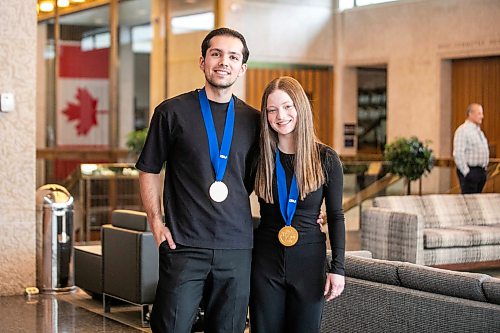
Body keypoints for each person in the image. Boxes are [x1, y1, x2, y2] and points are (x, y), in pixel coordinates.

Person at [136, 27, 260, 333]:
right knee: (171, 326)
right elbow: (149, 168)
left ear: (242, 68)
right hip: (184, 243)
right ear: (202, 61)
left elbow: (268, 176)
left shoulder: (255, 121)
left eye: (233, 56)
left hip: (236, 246)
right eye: (216, 54)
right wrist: (155, 220)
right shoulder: (171, 112)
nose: (223, 62)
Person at [249, 76, 345, 333]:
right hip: (265, 261)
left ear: (300, 107)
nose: (281, 115)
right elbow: (234, 201)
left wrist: (338, 268)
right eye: (272, 109)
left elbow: (335, 216)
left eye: (288, 106)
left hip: (309, 263)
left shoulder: (326, 159)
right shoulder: (260, 158)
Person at [453, 103, 489, 194]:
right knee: (469, 204)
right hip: (470, 172)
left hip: (480, 172)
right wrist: (467, 172)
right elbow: (458, 153)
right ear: (470, 114)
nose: (482, 116)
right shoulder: (463, 131)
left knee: (477, 203)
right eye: (479, 113)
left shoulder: (479, 132)